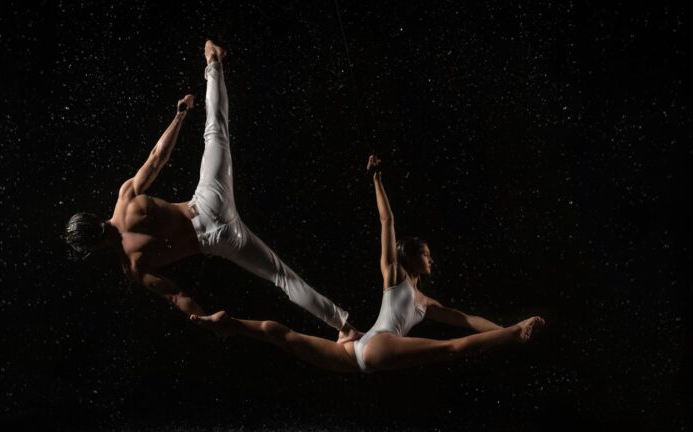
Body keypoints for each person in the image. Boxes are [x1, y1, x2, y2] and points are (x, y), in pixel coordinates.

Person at [63, 40, 360, 343]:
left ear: (92, 248)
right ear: (92, 218)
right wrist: (179, 116)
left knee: (281, 277)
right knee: (215, 130)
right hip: (207, 203)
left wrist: (202, 317)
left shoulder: (133, 266)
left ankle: (345, 327)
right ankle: (214, 62)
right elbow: (158, 157)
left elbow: (176, 295)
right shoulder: (125, 199)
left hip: (218, 241)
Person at [190, 155, 545, 373]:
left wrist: (500, 327)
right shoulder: (395, 276)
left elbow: (468, 320)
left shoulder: (428, 303)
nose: (431, 259)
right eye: (425, 254)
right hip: (375, 346)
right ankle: (514, 334)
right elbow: (387, 222)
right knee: (449, 349)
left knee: (281, 335)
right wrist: (377, 179)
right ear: (409, 257)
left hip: (353, 350)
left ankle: (229, 324)